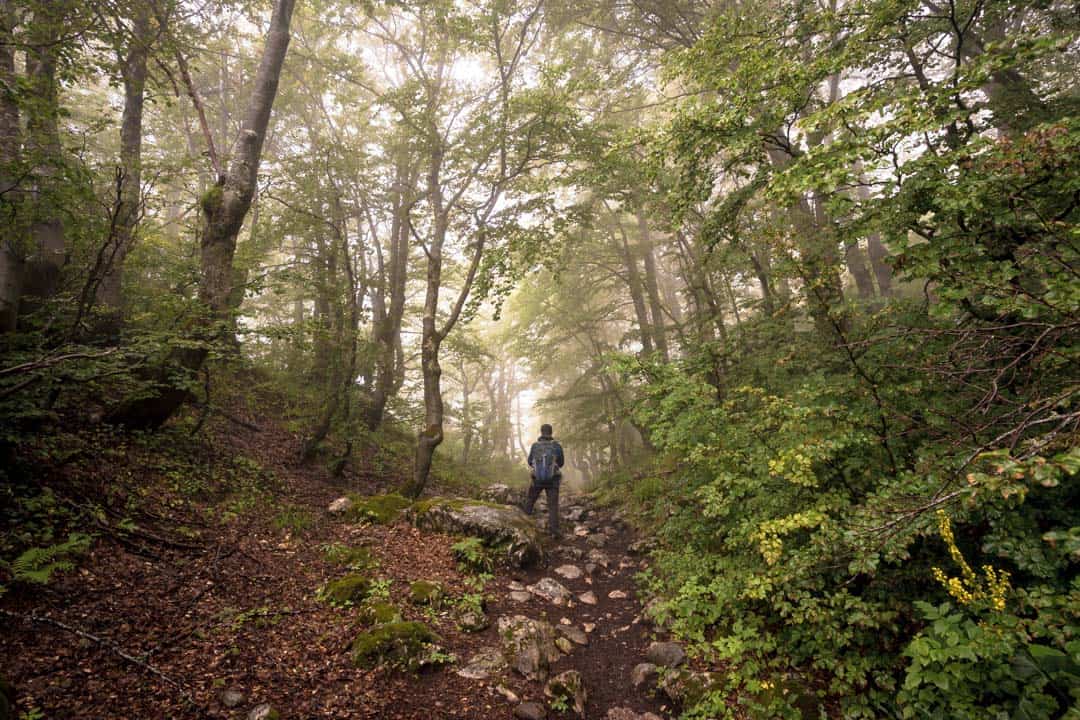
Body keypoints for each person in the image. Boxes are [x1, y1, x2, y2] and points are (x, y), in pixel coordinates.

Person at [524, 423, 565, 537]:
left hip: (537, 479)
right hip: (553, 480)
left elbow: (529, 461)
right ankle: (554, 531)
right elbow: (561, 463)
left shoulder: (535, 446)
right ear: (551, 432)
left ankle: (523, 526)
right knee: (552, 505)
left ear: (541, 432)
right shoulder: (556, 446)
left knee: (530, 501)